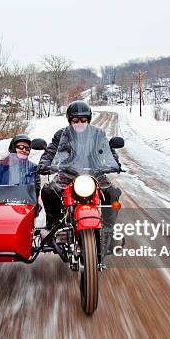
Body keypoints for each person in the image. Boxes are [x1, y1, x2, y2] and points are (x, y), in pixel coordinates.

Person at [36, 101, 122, 252]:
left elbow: (107, 151)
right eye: (75, 120)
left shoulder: (98, 135)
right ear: (70, 121)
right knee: (48, 191)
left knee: (112, 192)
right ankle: (52, 224)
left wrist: (114, 163)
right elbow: (50, 152)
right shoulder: (61, 135)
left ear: (88, 120)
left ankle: (108, 229)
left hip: (94, 173)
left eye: (83, 120)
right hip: (68, 173)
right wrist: (44, 164)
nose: (80, 123)